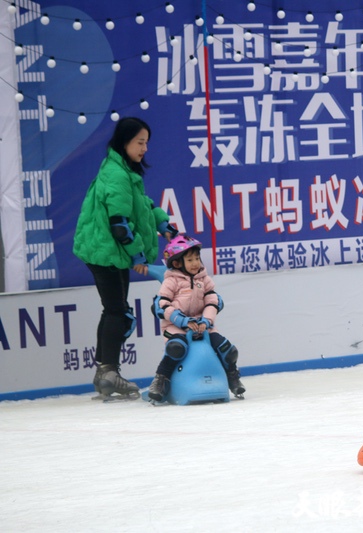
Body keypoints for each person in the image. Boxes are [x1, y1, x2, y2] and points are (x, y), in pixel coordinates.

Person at [74, 117, 177, 400]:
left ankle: (105, 373)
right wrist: (138, 257)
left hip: (109, 251)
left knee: (115, 310)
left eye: (146, 143)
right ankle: (108, 372)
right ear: (125, 142)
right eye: (139, 142)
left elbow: (143, 206)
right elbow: (119, 224)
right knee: (118, 311)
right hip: (104, 250)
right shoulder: (117, 174)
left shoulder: (124, 170)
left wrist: (164, 225)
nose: (144, 148)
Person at [148, 234, 245, 402]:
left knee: (227, 350)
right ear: (177, 263)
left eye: (197, 258)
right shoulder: (171, 281)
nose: (195, 263)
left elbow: (213, 301)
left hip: (202, 325)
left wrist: (206, 321)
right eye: (190, 260)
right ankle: (161, 380)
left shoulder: (204, 279)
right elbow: (161, 305)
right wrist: (183, 321)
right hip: (175, 326)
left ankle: (232, 376)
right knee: (176, 348)